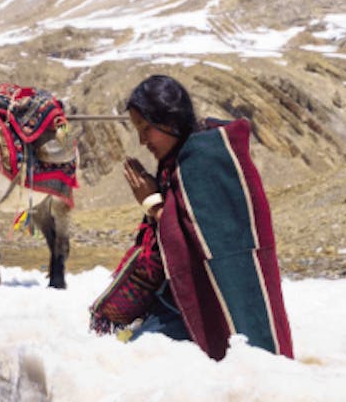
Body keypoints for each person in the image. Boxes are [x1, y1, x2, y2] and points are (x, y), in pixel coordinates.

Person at [120, 74, 294, 360]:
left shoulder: (206, 158)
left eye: (146, 128)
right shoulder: (178, 162)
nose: (141, 141)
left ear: (168, 119)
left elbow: (202, 244)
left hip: (220, 310)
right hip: (183, 304)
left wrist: (152, 204)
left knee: (140, 361)